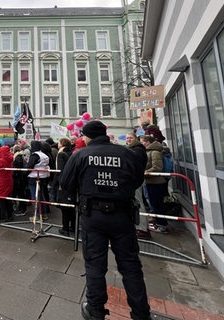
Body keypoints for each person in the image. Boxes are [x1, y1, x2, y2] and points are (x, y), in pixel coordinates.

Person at [60, 120, 151, 320]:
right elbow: (137, 180)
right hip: (122, 215)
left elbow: (65, 183)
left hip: (93, 216)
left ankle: (95, 310)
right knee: (130, 265)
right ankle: (141, 313)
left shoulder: (81, 155)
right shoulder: (126, 153)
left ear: (87, 136)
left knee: (94, 265)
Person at [140, 135, 169, 233]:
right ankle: (158, 223)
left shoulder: (155, 152)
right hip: (150, 181)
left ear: (147, 142)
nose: (142, 143)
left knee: (157, 204)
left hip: (155, 182)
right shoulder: (150, 151)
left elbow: (157, 167)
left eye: (142, 141)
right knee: (153, 203)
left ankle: (162, 225)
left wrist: (144, 172)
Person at [126, 132, 151, 239]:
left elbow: (135, 165)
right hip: (133, 179)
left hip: (135, 180)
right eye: (127, 138)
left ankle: (142, 228)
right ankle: (140, 227)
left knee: (138, 204)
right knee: (136, 203)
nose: (129, 140)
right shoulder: (134, 149)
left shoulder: (138, 150)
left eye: (131, 138)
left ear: (136, 138)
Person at [53, 137, 74, 236]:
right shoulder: (71, 152)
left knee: (64, 207)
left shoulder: (61, 154)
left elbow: (60, 171)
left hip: (64, 184)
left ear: (62, 144)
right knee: (72, 206)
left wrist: (59, 183)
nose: (57, 144)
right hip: (72, 183)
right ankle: (73, 226)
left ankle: (65, 228)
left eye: (59, 142)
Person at [0, 146, 14, 222]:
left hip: (1, 182)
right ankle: (10, 215)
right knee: (8, 199)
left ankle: (2, 216)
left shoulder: (2, 160)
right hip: (8, 181)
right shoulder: (9, 158)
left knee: (1, 199)